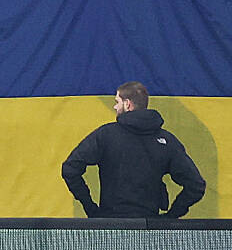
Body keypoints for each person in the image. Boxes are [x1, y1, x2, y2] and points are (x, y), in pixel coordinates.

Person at [62, 82, 205, 219]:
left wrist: (91, 209)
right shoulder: (167, 140)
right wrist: (171, 217)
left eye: (117, 101)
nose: (115, 106)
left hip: (110, 227)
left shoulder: (106, 135)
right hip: (150, 230)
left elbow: (70, 168)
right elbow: (196, 185)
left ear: (127, 104)